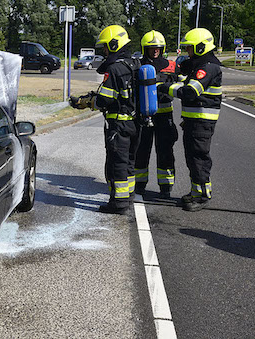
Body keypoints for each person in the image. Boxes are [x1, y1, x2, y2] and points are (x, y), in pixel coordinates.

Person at [71, 25, 140, 214]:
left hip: (118, 125)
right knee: (129, 163)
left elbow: (104, 99)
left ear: (114, 44)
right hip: (135, 124)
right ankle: (128, 197)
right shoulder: (134, 64)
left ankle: (118, 204)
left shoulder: (115, 68)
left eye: (106, 47)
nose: (104, 51)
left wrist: (84, 102)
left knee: (117, 164)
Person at [159, 28, 222, 212]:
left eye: (190, 48)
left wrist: (165, 88)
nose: (188, 52)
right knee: (192, 158)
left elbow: (190, 92)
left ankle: (202, 196)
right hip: (195, 121)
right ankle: (195, 192)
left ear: (201, 48)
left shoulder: (208, 67)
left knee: (199, 158)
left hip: (202, 121)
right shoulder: (200, 65)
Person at [134, 30, 179, 199]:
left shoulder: (172, 66)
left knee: (165, 152)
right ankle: (139, 185)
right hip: (143, 115)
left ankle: (166, 187)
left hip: (165, 116)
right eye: (152, 48)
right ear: (145, 49)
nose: (155, 51)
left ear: (162, 48)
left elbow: (182, 86)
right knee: (141, 151)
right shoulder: (138, 65)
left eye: (158, 48)